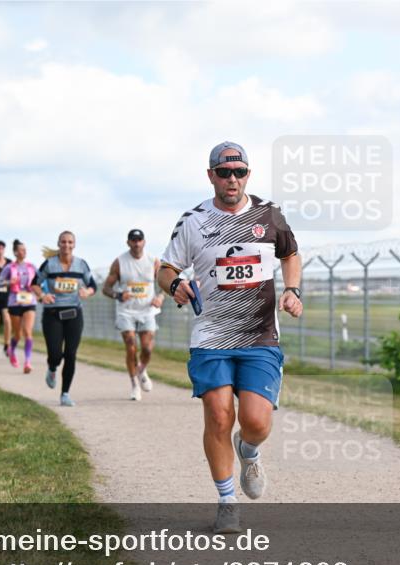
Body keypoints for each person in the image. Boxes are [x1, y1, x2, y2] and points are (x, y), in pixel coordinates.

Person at [158, 141, 303, 534]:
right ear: (211, 176)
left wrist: (292, 290)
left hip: (259, 336)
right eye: (224, 173)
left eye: (239, 172)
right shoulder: (194, 221)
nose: (232, 179)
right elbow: (167, 266)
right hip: (211, 337)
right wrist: (174, 286)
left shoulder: (268, 215)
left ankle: (249, 450)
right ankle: (226, 501)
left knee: (256, 422)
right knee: (219, 416)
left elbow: (290, 254)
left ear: (248, 175)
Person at [31, 231, 97, 406]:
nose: (66, 245)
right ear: (59, 244)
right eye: (63, 242)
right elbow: (34, 284)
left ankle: (65, 394)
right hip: (53, 314)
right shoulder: (49, 264)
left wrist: (87, 292)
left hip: (74, 314)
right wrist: (42, 296)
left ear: (74, 245)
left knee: (70, 354)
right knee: (55, 354)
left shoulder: (81, 265)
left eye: (70, 242)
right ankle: (52, 368)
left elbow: (92, 285)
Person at [102, 229, 165, 400]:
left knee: (146, 348)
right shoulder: (120, 262)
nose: (136, 243)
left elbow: (164, 285)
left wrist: (160, 297)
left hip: (147, 310)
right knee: (131, 345)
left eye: (139, 240)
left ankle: (142, 370)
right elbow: (106, 288)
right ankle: (134, 385)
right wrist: (118, 295)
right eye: (133, 240)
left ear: (144, 242)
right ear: (128, 242)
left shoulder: (153, 261)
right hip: (126, 311)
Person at [3, 240, 38, 373]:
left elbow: (40, 281)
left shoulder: (32, 266)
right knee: (18, 334)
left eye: (25, 249)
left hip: (30, 301)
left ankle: (27, 362)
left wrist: (40, 291)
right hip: (14, 302)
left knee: (28, 332)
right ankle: (12, 351)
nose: (24, 252)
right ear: (15, 252)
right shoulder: (9, 267)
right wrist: (8, 281)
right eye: (21, 250)